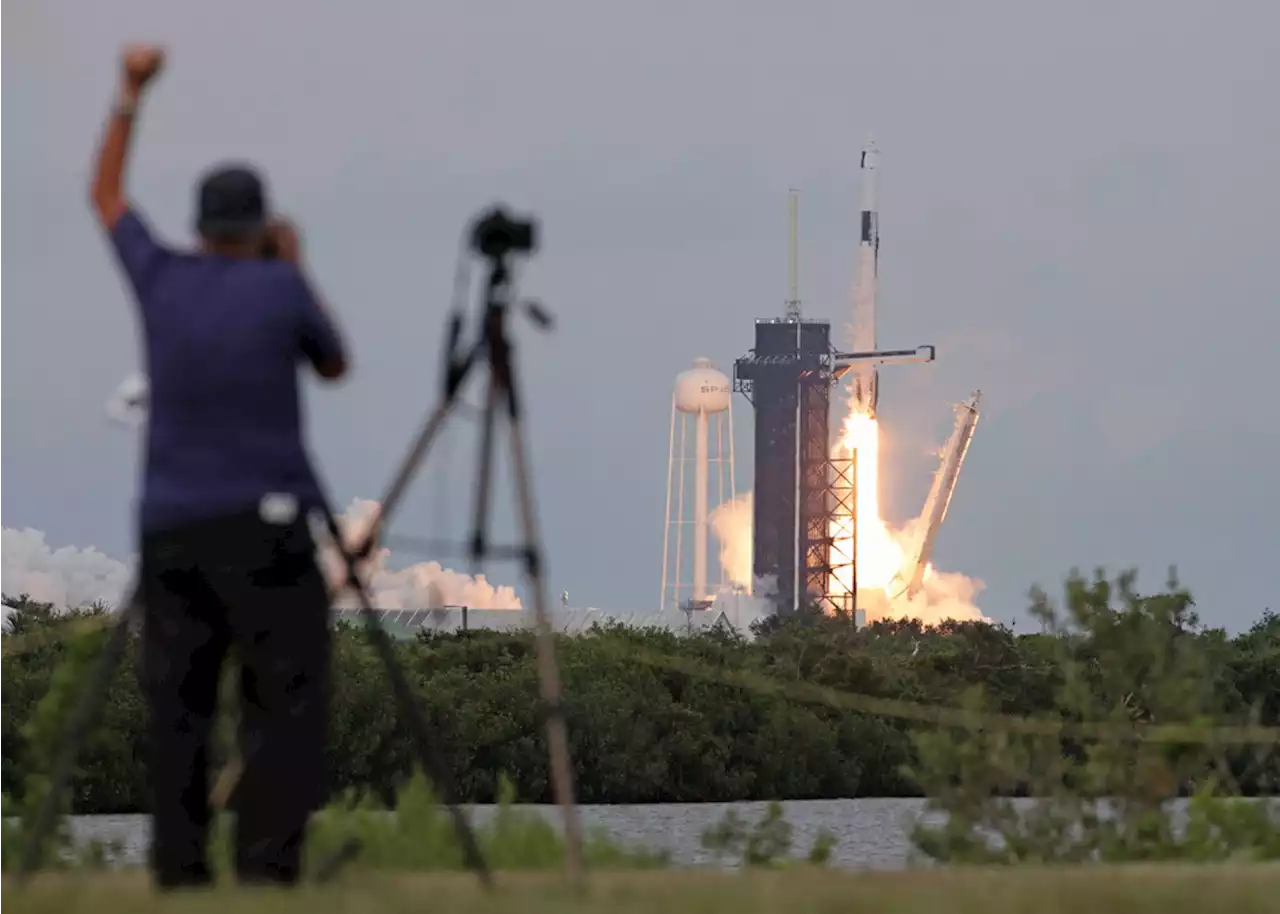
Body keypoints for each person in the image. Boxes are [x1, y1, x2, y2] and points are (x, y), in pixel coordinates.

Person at [89, 44, 350, 891]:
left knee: (180, 709)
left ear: (200, 228)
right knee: (284, 702)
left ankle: (180, 874)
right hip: (266, 529)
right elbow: (334, 360)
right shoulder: (278, 288)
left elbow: (106, 198)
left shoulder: (161, 277)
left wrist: (129, 95)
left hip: (171, 527)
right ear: (260, 227)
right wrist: (295, 261)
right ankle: (269, 870)